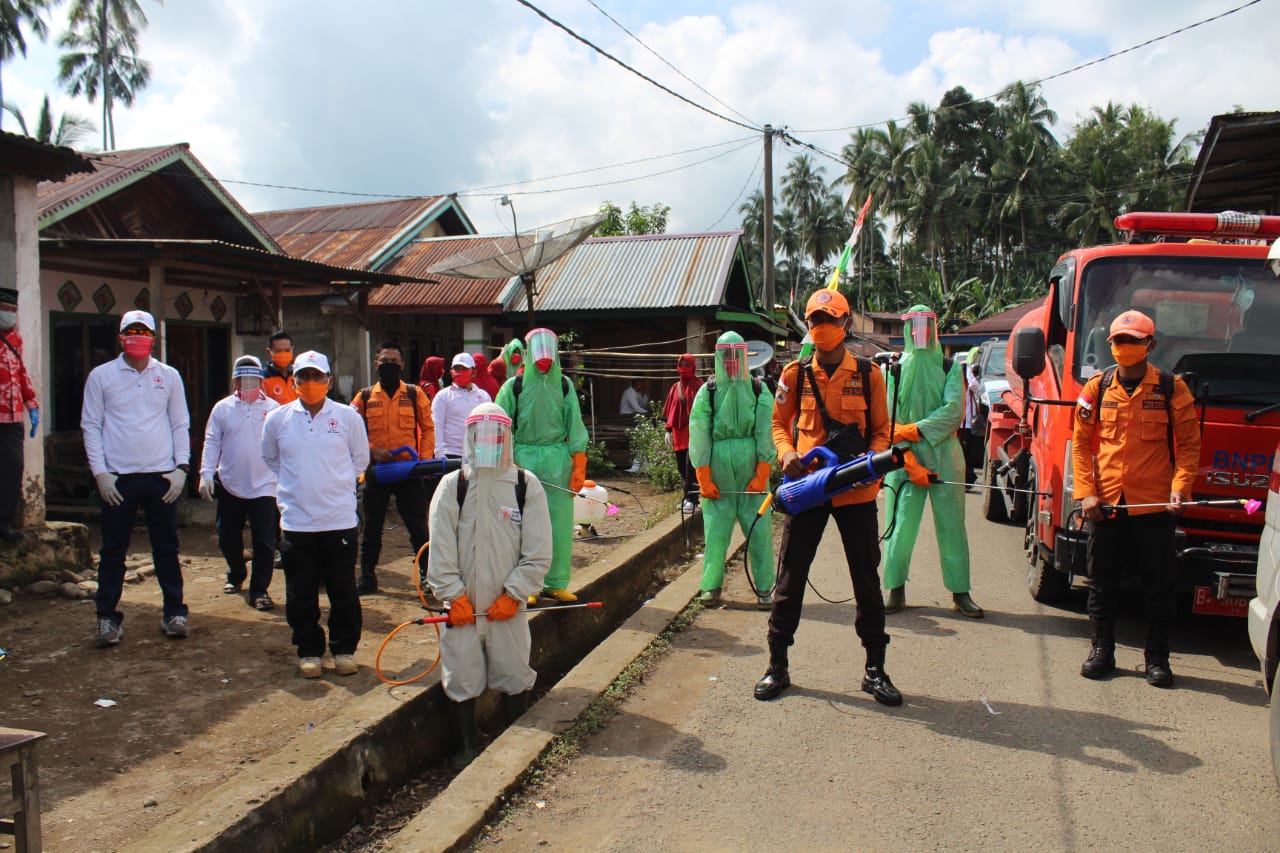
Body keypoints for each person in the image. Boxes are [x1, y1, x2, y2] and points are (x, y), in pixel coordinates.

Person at [755, 289, 897, 704]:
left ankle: (875, 669)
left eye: (830, 320)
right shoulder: (794, 374)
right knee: (790, 578)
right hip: (808, 491)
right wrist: (787, 455)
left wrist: (867, 465)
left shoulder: (869, 375)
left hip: (855, 493)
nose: (822, 328)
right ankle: (777, 666)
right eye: (815, 320)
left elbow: (883, 431)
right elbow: (779, 424)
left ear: (846, 325)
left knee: (867, 580)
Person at [1072, 309, 1200, 687]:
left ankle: (1157, 659)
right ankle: (1102, 651)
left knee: (1159, 587)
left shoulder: (1171, 388)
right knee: (1101, 583)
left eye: (1133, 341)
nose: (1125, 348)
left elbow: (1190, 446)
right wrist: (1086, 494)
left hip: (1155, 505)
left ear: (1150, 345)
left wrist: (1181, 488)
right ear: (1111, 345)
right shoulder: (1097, 387)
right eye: (1119, 342)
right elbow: (1080, 445)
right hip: (1107, 505)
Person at [427, 403, 552, 768]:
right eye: (479, 435)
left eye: (495, 435)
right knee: (462, 675)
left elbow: (538, 551)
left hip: (506, 609)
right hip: (463, 610)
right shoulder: (453, 486)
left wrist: (516, 593)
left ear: (506, 438)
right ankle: (465, 749)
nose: (487, 442)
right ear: (468, 438)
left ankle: (513, 747)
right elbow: (441, 547)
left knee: (513, 672)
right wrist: (453, 596)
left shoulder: (524, 486)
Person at [82, 310, 192, 647]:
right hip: (118, 479)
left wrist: (181, 468)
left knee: (166, 548)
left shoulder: (169, 376)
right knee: (113, 551)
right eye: (131, 331)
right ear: (120, 337)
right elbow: (91, 425)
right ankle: (107, 619)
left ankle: (174, 612)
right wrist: (100, 472)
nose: (138, 336)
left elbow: (179, 423)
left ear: (153, 339)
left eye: (144, 331)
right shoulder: (101, 376)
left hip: (161, 476)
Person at [261, 350, 370, 678]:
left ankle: (344, 649)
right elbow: (271, 459)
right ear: (293, 381)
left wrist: (332, 486)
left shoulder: (348, 418)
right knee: (300, 592)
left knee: (343, 590)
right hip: (297, 521)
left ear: (329, 381)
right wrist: (300, 486)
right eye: (303, 377)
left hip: (338, 520)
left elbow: (360, 461)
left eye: (317, 377)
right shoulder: (277, 420)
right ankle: (309, 649)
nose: (310, 383)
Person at [881, 306, 984, 618]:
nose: (920, 331)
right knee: (899, 525)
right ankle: (895, 589)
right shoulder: (895, 368)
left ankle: (960, 591)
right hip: (903, 457)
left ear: (935, 328)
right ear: (907, 330)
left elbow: (954, 411)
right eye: (915, 325)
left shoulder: (950, 366)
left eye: (927, 325)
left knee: (952, 525)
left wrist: (917, 429)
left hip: (944, 454)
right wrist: (907, 455)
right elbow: (888, 421)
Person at [495, 328, 589, 602]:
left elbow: (576, 426)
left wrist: (579, 465)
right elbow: (500, 425)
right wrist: (507, 460)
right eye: (539, 356)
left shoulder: (565, 385)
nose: (544, 362)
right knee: (523, 524)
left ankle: (556, 581)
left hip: (558, 461)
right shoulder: (514, 386)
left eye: (549, 357)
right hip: (522, 460)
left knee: (559, 523)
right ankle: (527, 585)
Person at [688, 331, 775, 608]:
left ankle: (764, 588)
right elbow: (699, 433)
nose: (732, 362)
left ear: (744, 357)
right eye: (727, 356)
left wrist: (762, 471)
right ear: (719, 358)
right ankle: (711, 586)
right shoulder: (708, 391)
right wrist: (703, 475)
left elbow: (766, 431)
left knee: (759, 531)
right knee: (716, 532)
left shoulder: (759, 388)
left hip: (752, 465)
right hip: (718, 468)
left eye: (737, 355)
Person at [352, 340, 435, 595]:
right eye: (384, 362)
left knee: (418, 527)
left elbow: (429, 428)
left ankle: (428, 576)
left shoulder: (413, 394)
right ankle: (367, 576)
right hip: (377, 472)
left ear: (402, 365)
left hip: (409, 473)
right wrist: (370, 450)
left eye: (394, 362)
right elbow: (350, 432)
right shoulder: (364, 397)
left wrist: (422, 462)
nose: (389, 366)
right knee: (372, 529)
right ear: (376, 364)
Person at [199, 355, 280, 610]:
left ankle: (260, 590)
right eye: (243, 379)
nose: (248, 384)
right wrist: (205, 473)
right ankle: (235, 573)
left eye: (253, 379)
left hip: (265, 485)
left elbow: (284, 445)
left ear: (261, 380)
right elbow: (212, 441)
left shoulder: (275, 409)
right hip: (231, 482)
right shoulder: (222, 408)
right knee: (227, 537)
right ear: (234, 380)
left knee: (265, 541)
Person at [0, 286, 38, 544]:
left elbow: (21, 374)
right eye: (5, 310)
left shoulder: (16, 340)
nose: (10, 315)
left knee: (13, 467)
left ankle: (3, 522)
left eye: (13, 310)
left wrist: (31, 403)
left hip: (12, 418)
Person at [662, 353, 703, 513]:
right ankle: (687, 497)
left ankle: (692, 499)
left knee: (690, 467)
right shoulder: (675, 387)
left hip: (694, 434)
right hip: (679, 434)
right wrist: (668, 430)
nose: (683, 368)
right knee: (681, 467)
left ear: (693, 366)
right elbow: (671, 410)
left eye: (687, 364)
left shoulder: (700, 387)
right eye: (681, 364)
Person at [433, 353, 493, 458]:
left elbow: (489, 426)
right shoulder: (443, 396)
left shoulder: (483, 396)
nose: (460, 372)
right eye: (457, 368)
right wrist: (439, 454)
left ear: (473, 372)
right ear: (451, 372)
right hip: (450, 453)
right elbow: (437, 425)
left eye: (464, 369)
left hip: (476, 454)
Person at [262, 330, 299, 404]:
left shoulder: (299, 374)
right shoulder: (262, 378)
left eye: (287, 350)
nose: (283, 354)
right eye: (278, 351)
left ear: (292, 350)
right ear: (269, 352)